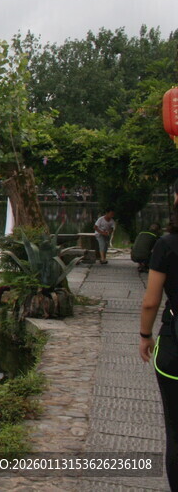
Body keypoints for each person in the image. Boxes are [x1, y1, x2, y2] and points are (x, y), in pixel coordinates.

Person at [140, 180, 178, 489]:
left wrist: (144, 335)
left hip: (174, 347)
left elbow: (151, 301)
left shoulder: (167, 244)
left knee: (175, 432)